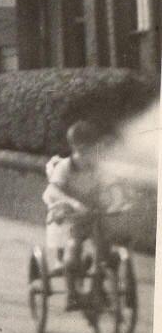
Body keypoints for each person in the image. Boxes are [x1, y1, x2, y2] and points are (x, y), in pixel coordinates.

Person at [42, 120, 104, 311]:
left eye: (93, 149)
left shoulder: (98, 167)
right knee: (72, 254)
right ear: (75, 147)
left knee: (107, 252)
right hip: (74, 219)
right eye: (84, 149)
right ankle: (72, 296)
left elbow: (110, 185)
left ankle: (98, 291)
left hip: (96, 217)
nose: (89, 155)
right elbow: (53, 191)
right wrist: (72, 203)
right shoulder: (65, 167)